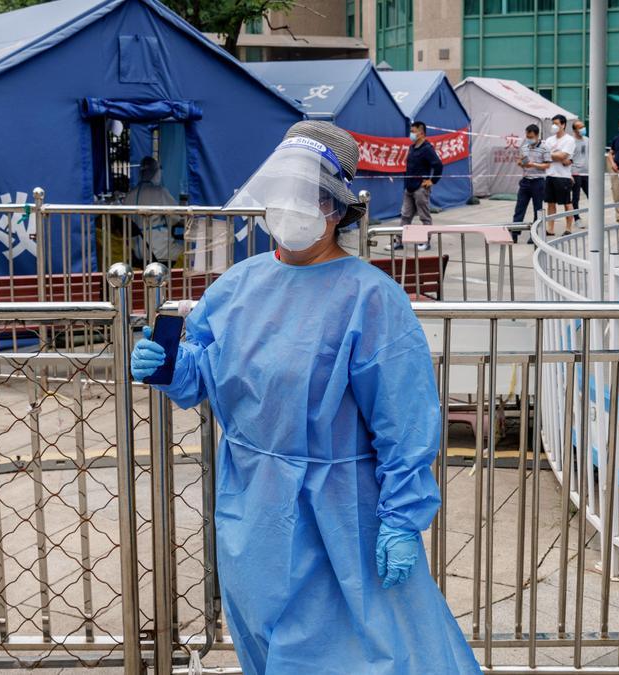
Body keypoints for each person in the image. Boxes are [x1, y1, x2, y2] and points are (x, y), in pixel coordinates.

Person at [130, 120, 479, 675]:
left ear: (336, 208)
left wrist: (401, 519)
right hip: (252, 508)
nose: (289, 209)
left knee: (357, 652)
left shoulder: (371, 300)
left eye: (307, 197)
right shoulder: (236, 287)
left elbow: (405, 421)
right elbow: (206, 373)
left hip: (341, 515)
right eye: (282, 195)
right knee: (265, 643)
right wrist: (170, 365)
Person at [122, 157, 183, 264]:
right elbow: (175, 217)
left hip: (137, 250)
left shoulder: (129, 195)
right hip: (159, 250)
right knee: (188, 252)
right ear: (156, 173)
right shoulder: (159, 192)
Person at [397, 120, 443, 251]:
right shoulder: (412, 148)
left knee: (424, 216)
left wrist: (432, 181)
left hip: (420, 189)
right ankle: (399, 241)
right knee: (405, 215)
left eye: (413, 132)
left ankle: (426, 242)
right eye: (410, 131)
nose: (410, 134)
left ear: (421, 133)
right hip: (409, 188)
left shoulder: (427, 149)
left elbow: (438, 165)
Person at [512, 123, 550, 242]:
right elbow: (521, 160)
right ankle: (514, 233)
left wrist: (533, 164)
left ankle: (535, 235)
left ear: (537, 135)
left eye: (531, 137)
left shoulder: (545, 148)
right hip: (525, 181)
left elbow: (547, 165)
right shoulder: (524, 147)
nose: (529, 139)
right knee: (519, 208)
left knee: (537, 209)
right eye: (527, 136)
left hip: (538, 182)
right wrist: (520, 162)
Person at [542, 114, 577, 236]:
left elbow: (564, 156)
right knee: (550, 203)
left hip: (563, 176)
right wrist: (556, 154)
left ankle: (568, 228)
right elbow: (544, 156)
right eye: (553, 123)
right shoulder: (549, 140)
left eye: (556, 123)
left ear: (563, 125)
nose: (554, 126)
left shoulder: (569, 140)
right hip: (550, 174)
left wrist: (553, 154)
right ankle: (550, 228)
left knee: (567, 202)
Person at [570, 119, 590, 223]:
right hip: (575, 172)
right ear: (574, 130)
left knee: (591, 195)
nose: (583, 129)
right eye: (580, 127)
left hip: (587, 172)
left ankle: (594, 216)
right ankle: (577, 218)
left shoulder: (587, 140)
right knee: (576, 197)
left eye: (583, 127)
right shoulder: (571, 141)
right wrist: (569, 173)